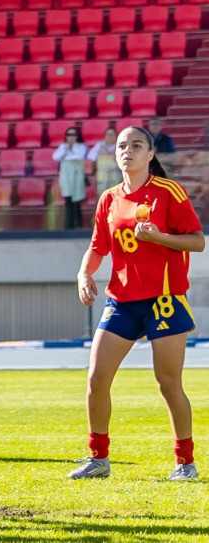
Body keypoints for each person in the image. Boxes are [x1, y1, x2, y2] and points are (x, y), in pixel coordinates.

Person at [71, 126, 204, 481]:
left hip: (164, 300)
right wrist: (85, 274)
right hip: (122, 301)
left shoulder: (168, 192)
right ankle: (98, 459)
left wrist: (159, 237)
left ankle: (185, 463)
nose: (127, 151)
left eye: (136, 145)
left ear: (150, 154)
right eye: (121, 146)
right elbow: (98, 247)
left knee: (168, 383)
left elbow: (197, 241)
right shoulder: (108, 199)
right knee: (96, 379)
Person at [54, 126, 89, 230]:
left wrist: (67, 157)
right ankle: (68, 226)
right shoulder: (62, 146)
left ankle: (78, 225)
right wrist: (66, 150)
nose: (71, 137)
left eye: (73, 135)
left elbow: (80, 156)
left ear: (77, 136)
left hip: (77, 177)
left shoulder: (82, 146)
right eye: (69, 135)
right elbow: (55, 157)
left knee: (77, 202)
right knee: (68, 201)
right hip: (66, 177)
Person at [88, 126, 121, 194]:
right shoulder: (100, 145)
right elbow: (90, 156)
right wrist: (100, 155)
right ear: (105, 136)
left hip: (116, 175)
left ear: (116, 136)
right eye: (108, 134)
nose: (110, 136)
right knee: (102, 196)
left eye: (112, 134)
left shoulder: (120, 146)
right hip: (102, 177)